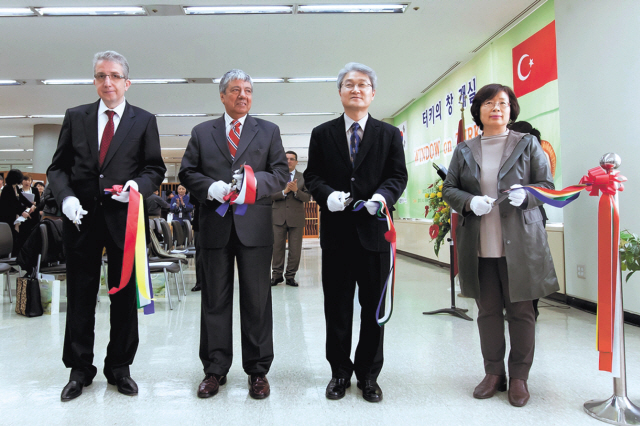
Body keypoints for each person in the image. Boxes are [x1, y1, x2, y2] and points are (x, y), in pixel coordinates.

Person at [47, 50, 166, 402]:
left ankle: (120, 367)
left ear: (126, 82)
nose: (107, 82)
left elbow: (154, 169)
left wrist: (137, 188)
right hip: (81, 220)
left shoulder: (143, 120)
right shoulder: (76, 116)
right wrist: (66, 197)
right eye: (100, 75)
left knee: (124, 296)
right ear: (95, 80)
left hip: (124, 222)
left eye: (114, 76)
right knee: (81, 296)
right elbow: (58, 168)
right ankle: (79, 369)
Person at [442, 84, 559, 407]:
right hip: (480, 244)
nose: (497, 108)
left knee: (522, 312)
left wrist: (529, 195)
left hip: (520, 243)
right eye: (490, 103)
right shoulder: (465, 149)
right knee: (488, 312)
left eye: (503, 103)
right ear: (478, 111)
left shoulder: (527, 144)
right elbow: (449, 189)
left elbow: (546, 185)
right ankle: (493, 373)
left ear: (511, 110)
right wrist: (468, 202)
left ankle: (519, 377)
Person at [179, 69, 288, 400]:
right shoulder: (202, 132)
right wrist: (210, 187)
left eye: (249, 91)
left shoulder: (268, 131)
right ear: (223, 95)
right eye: (236, 90)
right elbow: (186, 171)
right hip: (214, 227)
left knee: (257, 301)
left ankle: (258, 371)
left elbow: (281, 173)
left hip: (254, 228)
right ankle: (214, 369)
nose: (243, 95)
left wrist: (251, 188)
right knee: (215, 300)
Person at [304, 62, 407, 403]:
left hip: (374, 236)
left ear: (373, 93)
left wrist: (383, 196)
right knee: (336, 308)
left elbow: (397, 176)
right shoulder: (322, 133)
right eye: (349, 84)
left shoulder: (389, 134)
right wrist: (326, 195)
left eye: (363, 85)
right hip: (336, 237)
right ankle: (339, 373)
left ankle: (369, 375)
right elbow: (312, 176)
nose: (356, 89)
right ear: (340, 92)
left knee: (373, 311)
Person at [508, 121, 549, 320]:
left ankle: (531, 307)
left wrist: (525, 194)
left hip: (532, 213)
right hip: (516, 216)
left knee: (531, 264)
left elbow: (546, 186)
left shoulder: (532, 150)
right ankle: (525, 307)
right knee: (520, 264)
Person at [270, 150, 311, 287]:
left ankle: (290, 276)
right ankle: (276, 276)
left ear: (296, 162)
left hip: (296, 218)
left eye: (292, 159)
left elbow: (307, 198)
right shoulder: (276, 176)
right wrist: (284, 192)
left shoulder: (303, 177)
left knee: (295, 249)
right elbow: (269, 196)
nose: (289, 161)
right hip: (278, 217)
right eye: (286, 159)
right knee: (277, 248)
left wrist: (295, 191)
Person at [0, 169, 32, 254]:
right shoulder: (7, 189)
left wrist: (30, 205)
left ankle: (14, 253)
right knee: (10, 235)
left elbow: (22, 198)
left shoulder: (15, 187)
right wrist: (22, 212)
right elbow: (13, 203)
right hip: (7, 216)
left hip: (13, 215)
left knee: (15, 234)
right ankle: (9, 253)